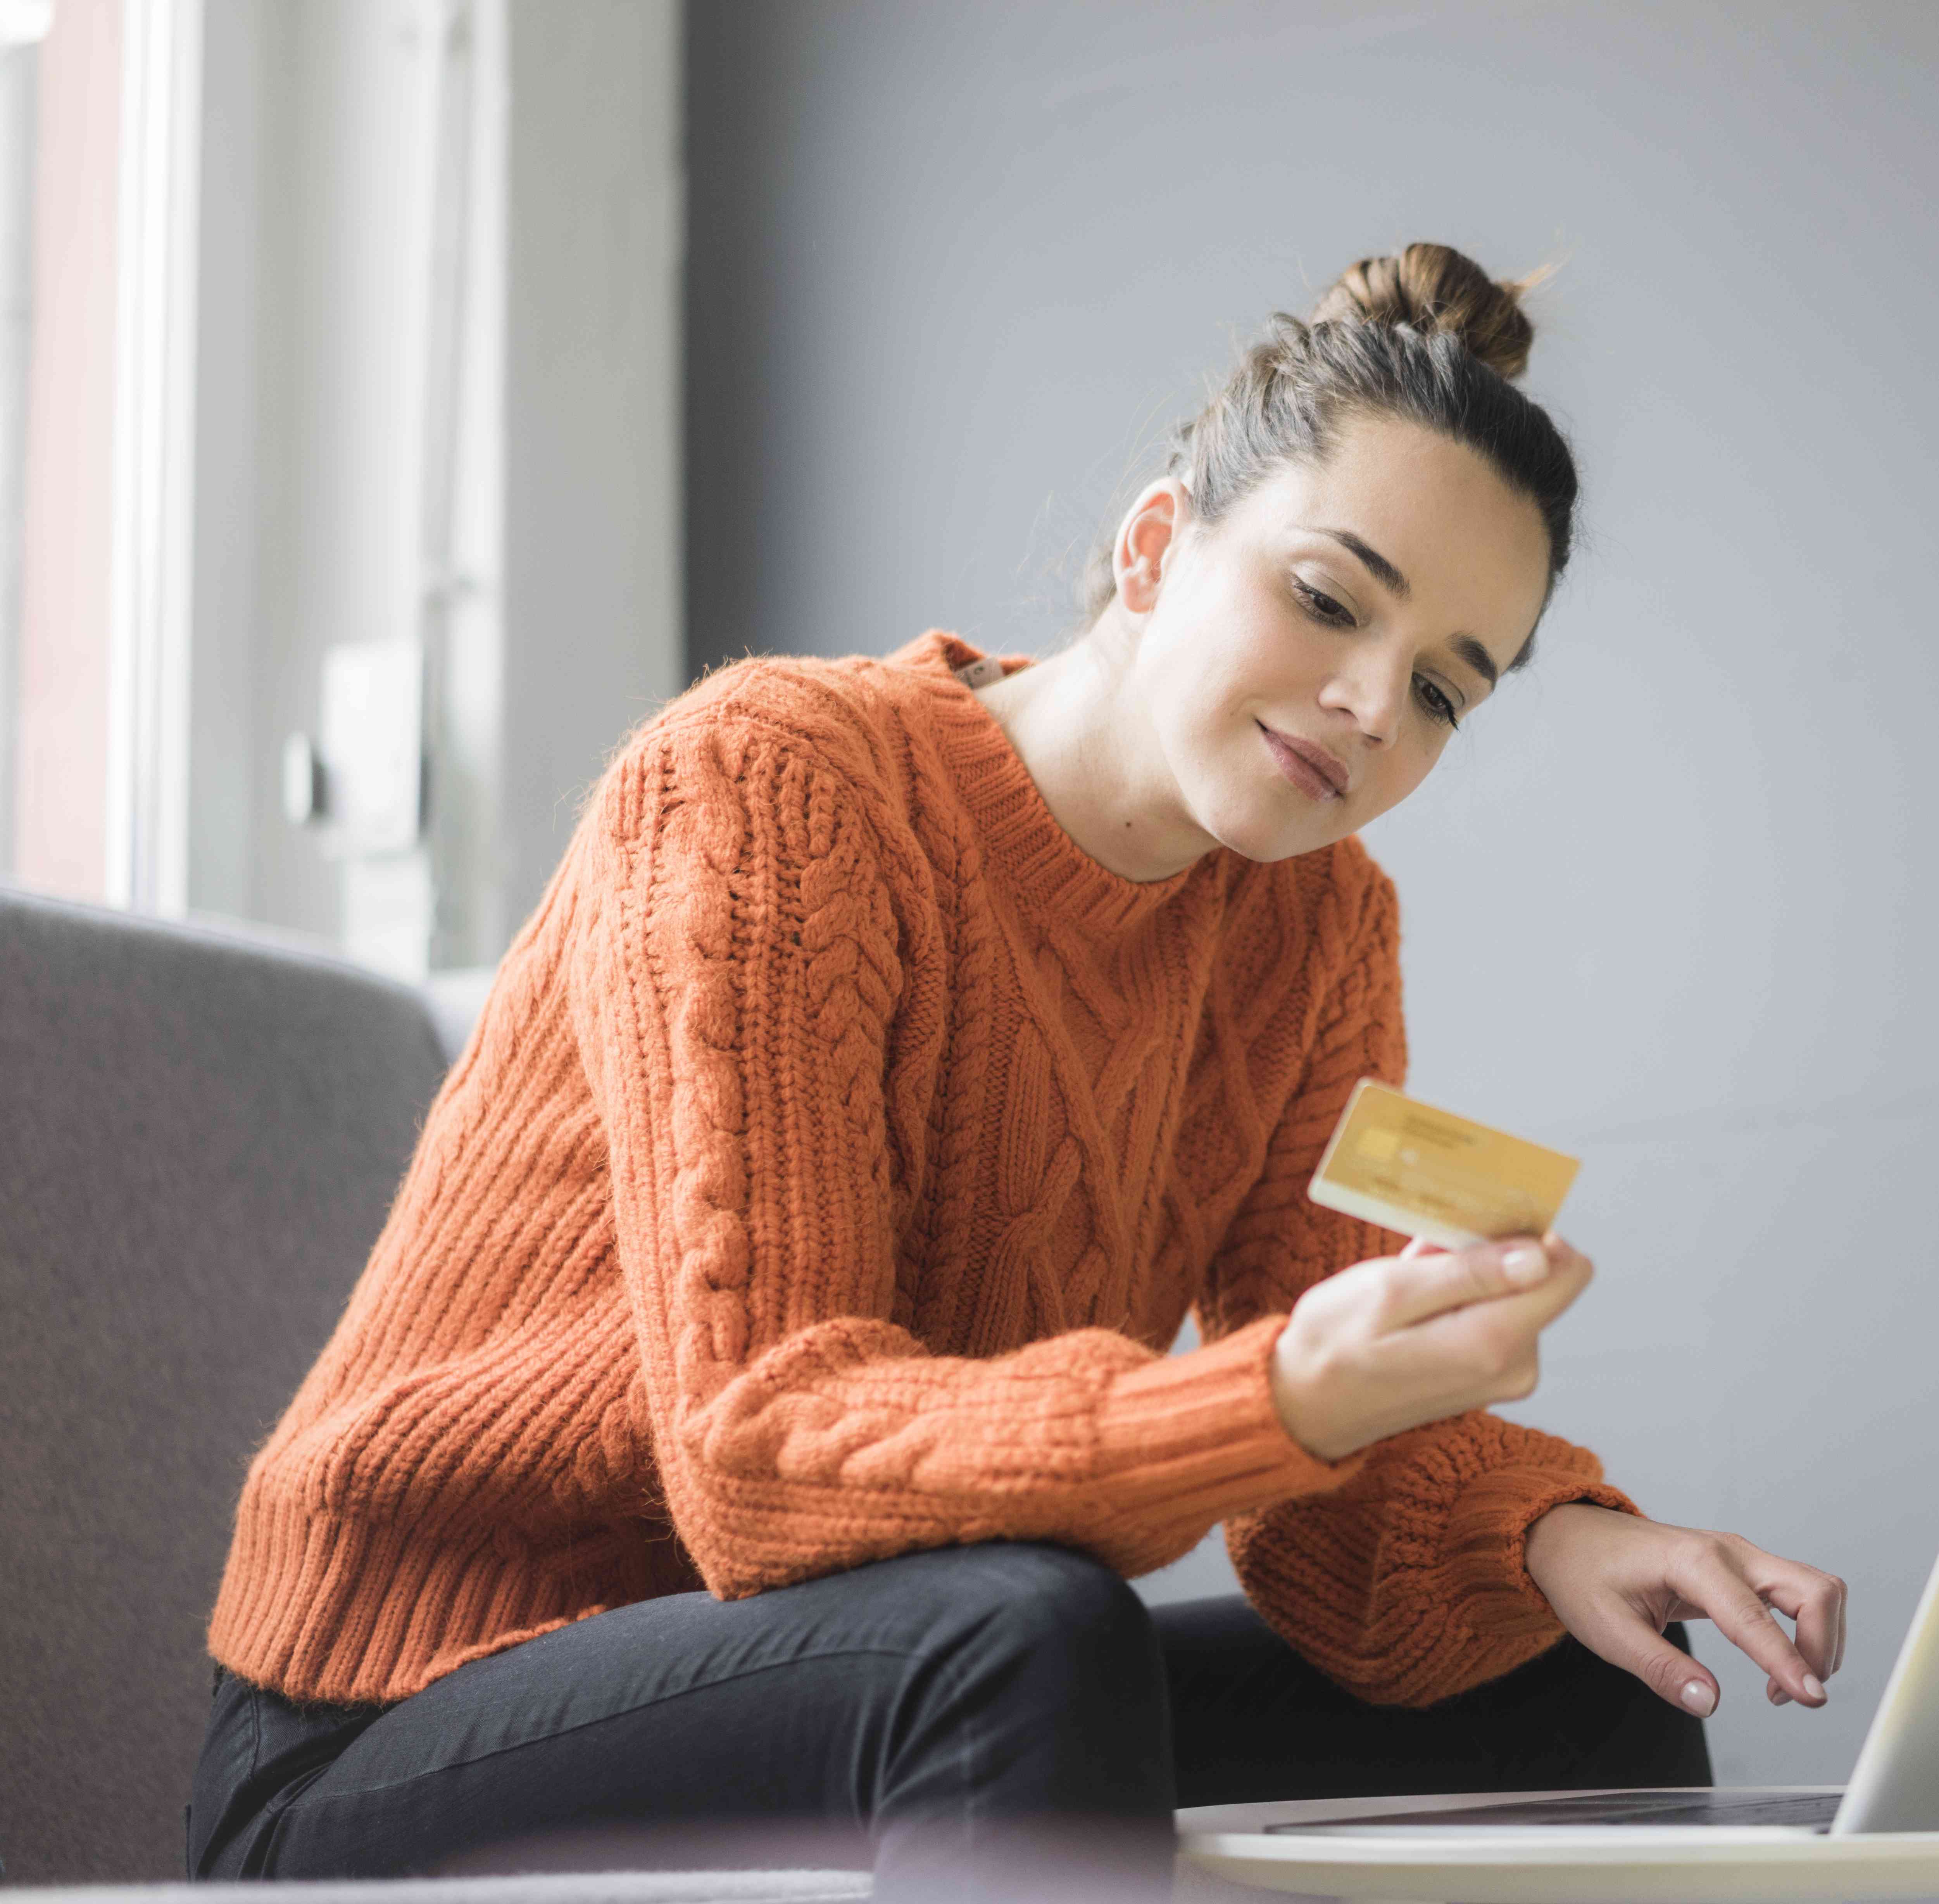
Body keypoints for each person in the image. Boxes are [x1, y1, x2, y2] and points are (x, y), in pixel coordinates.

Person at [188, 242, 1847, 1891]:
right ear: (1152, 548)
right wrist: (1275, 1392)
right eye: (1329, 600)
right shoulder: (771, 782)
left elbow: (1329, 1516)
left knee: (1573, 1695)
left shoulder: (1319, 928)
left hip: (869, 1666)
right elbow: (761, 1459)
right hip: (403, 1708)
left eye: (1438, 692)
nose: (1365, 709)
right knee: (1023, 1630)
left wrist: (1554, 1535)